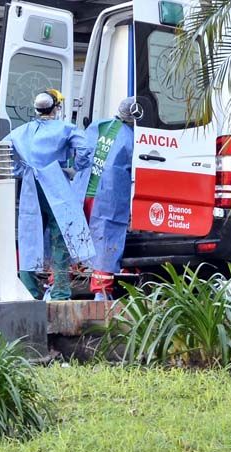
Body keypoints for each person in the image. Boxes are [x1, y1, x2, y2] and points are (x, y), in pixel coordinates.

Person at [5, 89, 95, 300]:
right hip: (55, 185)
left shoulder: (22, 131)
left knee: (29, 236)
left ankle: (29, 290)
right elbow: (85, 150)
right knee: (60, 237)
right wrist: (76, 168)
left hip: (30, 186)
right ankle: (60, 290)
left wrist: (20, 171)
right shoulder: (65, 128)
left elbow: (3, 150)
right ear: (56, 107)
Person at [78, 97, 138, 300]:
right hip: (108, 197)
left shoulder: (97, 126)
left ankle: (56, 287)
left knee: (76, 239)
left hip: (82, 191)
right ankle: (101, 293)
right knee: (105, 242)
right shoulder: (130, 138)